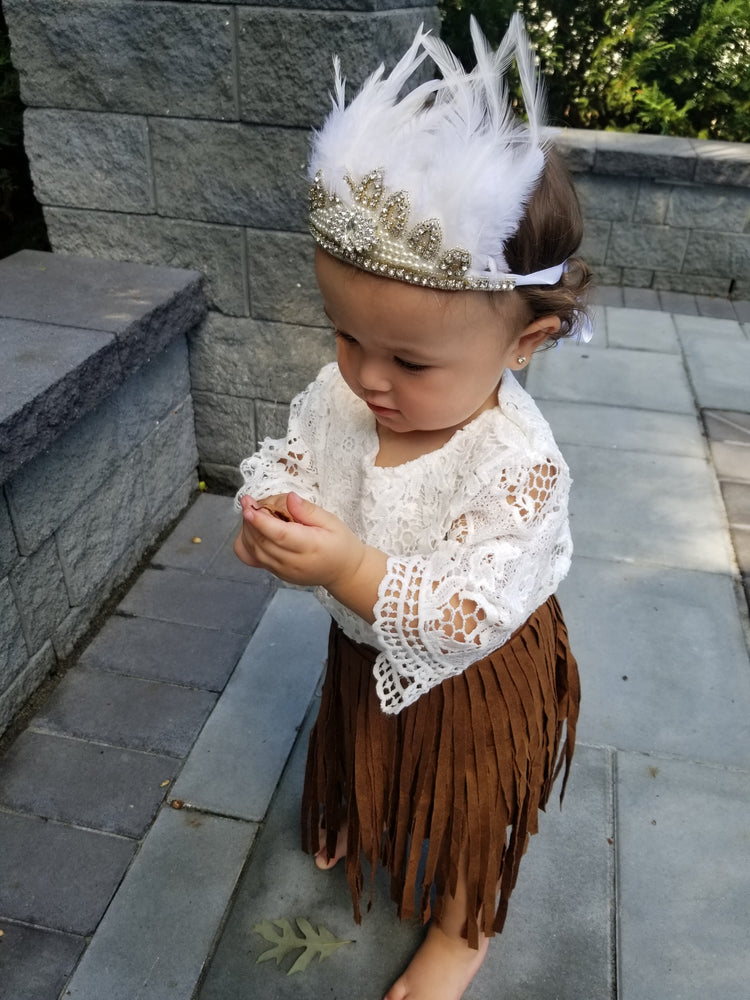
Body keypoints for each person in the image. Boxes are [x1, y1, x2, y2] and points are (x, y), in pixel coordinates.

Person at [234, 15, 590, 1000]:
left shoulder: (514, 463)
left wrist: (348, 567)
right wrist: (274, 503)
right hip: (365, 642)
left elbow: (468, 611)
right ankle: (365, 801)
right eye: (347, 336)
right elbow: (297, 449)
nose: (368, 378)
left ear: (528, 341)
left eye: (410, 360)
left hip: (472, 674)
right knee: (363, 726)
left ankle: (463, 923)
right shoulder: (348, 390)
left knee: (472, 800)